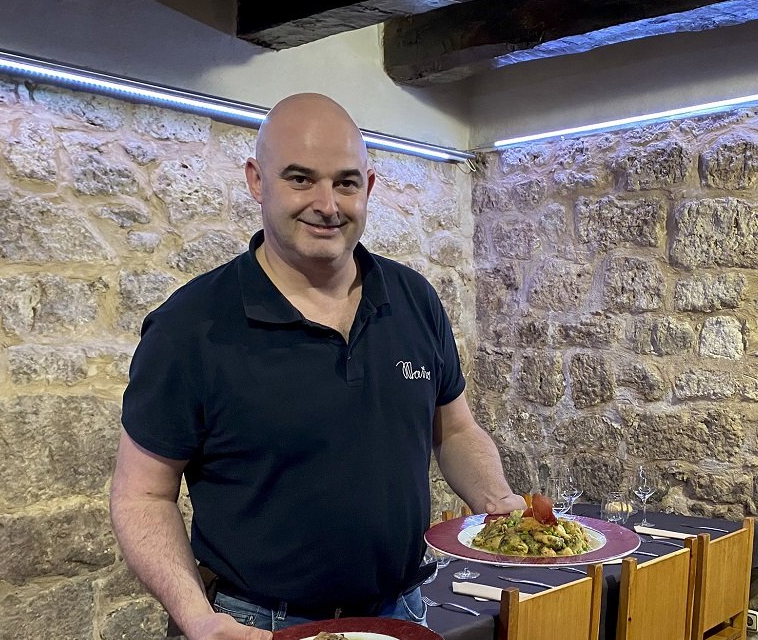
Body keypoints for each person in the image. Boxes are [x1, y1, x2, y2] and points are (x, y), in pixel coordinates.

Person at [109, 93, 524, 639]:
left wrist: (498, 502)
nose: (327, 204)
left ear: (368, 187)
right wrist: (199, 621)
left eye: (346, 182)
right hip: (259, 625)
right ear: (258, 181)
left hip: (400, 613)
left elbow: (455, 430)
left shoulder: (414, 299)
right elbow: (142, 495)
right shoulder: (190, 327)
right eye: (300, 179)